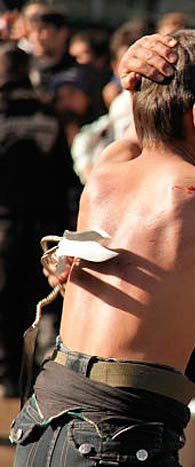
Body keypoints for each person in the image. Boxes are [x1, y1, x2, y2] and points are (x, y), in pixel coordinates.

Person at [10, 29, 195, 465]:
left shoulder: (105, 172)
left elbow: (141, 133)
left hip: (44, 417)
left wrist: (137, 76)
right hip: (121, 432)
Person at [0, 43, 78, 399]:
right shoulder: (47, 113)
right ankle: (37, 375)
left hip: (6, 224)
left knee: (6, 303)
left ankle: (7, 376)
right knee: (42, 303)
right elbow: (65, 173)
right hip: (45, 230)